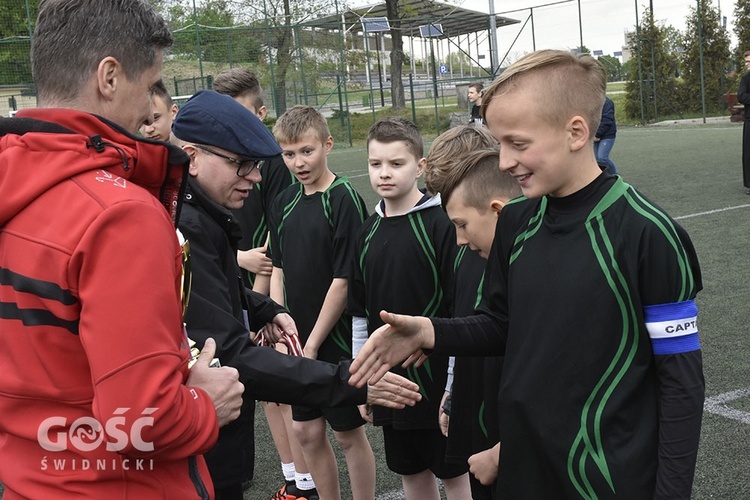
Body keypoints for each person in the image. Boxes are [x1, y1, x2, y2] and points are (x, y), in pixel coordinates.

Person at [350, 50, 705, 500]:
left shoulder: (648, 233)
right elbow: (500, 324)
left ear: (576, 132)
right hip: (522, 469)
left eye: (517, 143)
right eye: (499, 143)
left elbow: (681, 382)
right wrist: (429, 331)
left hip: (605, 479)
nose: (502, 161)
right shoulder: (517, 221)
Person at [0, 1, 245, 498]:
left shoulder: (14, 181)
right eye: (151, 83)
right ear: (109, 77)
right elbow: (144, 419)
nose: (154, 106)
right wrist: (203, 402)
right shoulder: (119, 214)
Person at [172, 91, 421, 500]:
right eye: (243, 164)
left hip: (324, 340)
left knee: (343, 435)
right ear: (192, 156)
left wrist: (265, 308)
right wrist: (343, 377)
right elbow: (231, 347)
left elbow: (220, 293)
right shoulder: (192, 223)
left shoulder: (204, 215)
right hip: (206, 429)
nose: (257, 176)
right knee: (305, 429)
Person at [349, 117, 471, 500]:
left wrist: (453, 385)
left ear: (419, 167)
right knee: (411, 473)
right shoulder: (366, 231)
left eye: (396, 163)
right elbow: (358, 314)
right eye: (375, 164)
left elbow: (460, 313)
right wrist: (361, 382)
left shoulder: (443, 225)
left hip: (440, 381)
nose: (384, 173)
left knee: (455, 474)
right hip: (390, 383)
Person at [268, 105, 374, 500]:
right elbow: (278, 269)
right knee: (306, 431)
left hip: (334, 341)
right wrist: (278, 322)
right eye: (289, 154)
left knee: (347, 433)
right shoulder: (282, 202)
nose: (298, 162)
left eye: (307, 151)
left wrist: (311, 344)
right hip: (298, 342)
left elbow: (343, 281)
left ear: (327, 145)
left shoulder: (343, 197)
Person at [212, 67, 309, 500]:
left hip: (261, 287)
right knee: (255, 392)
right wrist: (238, 260)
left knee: (277, 387)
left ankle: (303, 483)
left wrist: (260, 286)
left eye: (243, 112)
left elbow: (277, 234)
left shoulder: (271, 162)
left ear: (262, 112)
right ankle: (290, 477)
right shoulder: (214, 161)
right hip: (231, 284)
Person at [423, 126, 521, 500]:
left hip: (509, 425)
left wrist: (504, 449)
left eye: (460, 220)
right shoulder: (467, 252)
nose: (457, 235)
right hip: (475, 407)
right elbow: (467, 322)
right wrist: (451, 390)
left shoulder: (522, 262)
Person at [737, 50, 750, 194]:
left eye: (749, 62)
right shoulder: (746, 78)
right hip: (749, 120)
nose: (747, 64)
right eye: (746, 61)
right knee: (748, 153)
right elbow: (741, 96)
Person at [594, 96, 618, 174]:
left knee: (602, 158)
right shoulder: (591, 103)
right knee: (595, 159)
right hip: (594, 135)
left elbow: (607, 120)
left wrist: (598, 135)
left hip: (607, 135)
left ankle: (615, 175)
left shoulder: (607, 103)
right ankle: (602, 178)